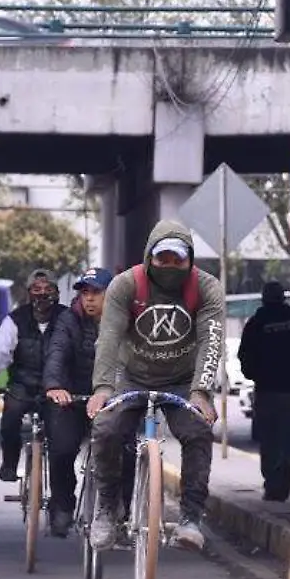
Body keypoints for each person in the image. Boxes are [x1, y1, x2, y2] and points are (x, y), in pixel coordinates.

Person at [85, 220, 226, 552]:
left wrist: (201, 392)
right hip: (131, 375)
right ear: (149, 257)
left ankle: (191, 517)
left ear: (190, 259)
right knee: (106, 430)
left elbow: (211, 342)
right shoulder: (125, 286)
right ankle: (108, 507)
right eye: (163, 258)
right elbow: (108, 339)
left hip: (182, 380)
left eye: (178, 259)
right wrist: (103, 388)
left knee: (198, 432)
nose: (170, 266)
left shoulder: (206, 289)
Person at [41, 266, 137, 537]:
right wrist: (55, 385)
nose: (89, 299)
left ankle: (123, 512)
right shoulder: (68, 320)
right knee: (61, 448)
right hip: (74, 398)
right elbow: (56, 352)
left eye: (96, 292)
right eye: (85, 293)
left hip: (115, 400)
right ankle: (62, 505)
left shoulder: (128, 321)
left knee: (128, 452)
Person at [0, 269, 68, 482]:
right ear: (28, 293)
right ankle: (9, 465)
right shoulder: (14, 321)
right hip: (22, 387)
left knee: (63, 435)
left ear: (56, 293)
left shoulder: (67, 318)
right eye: (37, 290)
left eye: (48, 289)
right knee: (10, 419)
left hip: (55, 388)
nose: (42, 294)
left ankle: (60, 486)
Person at [237, 281, 290, 502]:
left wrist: (258, 377)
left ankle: (273, 483)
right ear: (283, 297)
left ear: (264, 299)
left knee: (269, 439)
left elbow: (245, 357)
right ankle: (286, 471)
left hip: (267, 392)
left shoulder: (256, 324)